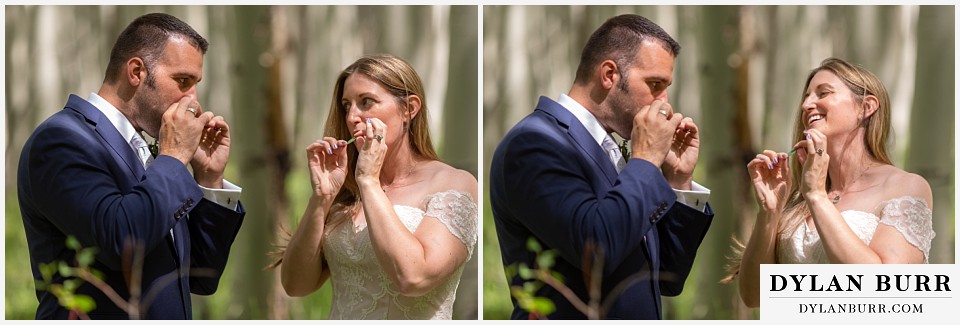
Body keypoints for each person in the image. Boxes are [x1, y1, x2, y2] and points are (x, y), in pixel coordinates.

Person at [17, 13, 245, 319]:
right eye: (183, 81)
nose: (193, 99)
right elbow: (122, 244)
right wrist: (175, 157)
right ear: (136, 71)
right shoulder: (61, 140)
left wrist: (209, 179)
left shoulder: (147, 148)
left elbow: (200, 277)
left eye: (195, 84)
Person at [490, 14, 714, 320]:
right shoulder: (534, 143)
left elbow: (667, 277)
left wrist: (679, 182)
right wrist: (646, 160)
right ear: (609, 74)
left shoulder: (608, 145)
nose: (665, 102)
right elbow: (596, 251)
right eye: (654, 85)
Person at [277, 54, 478, 320]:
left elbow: (413, 277)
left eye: (366, 102)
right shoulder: (346, 191)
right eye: (347, 105)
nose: (352, 117)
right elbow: (295, 285)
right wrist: (321, 198)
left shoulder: (453, 184)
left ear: (409, 109)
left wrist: (369, 181)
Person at [735, 57, 935, 307]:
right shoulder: (798, 198)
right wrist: (770, 211)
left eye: (823, 93)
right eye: (806, 97)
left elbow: (885, 288)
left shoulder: (905, 187)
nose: (807, 105)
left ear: (866, 107)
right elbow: (754, 296)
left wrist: (817, 196)